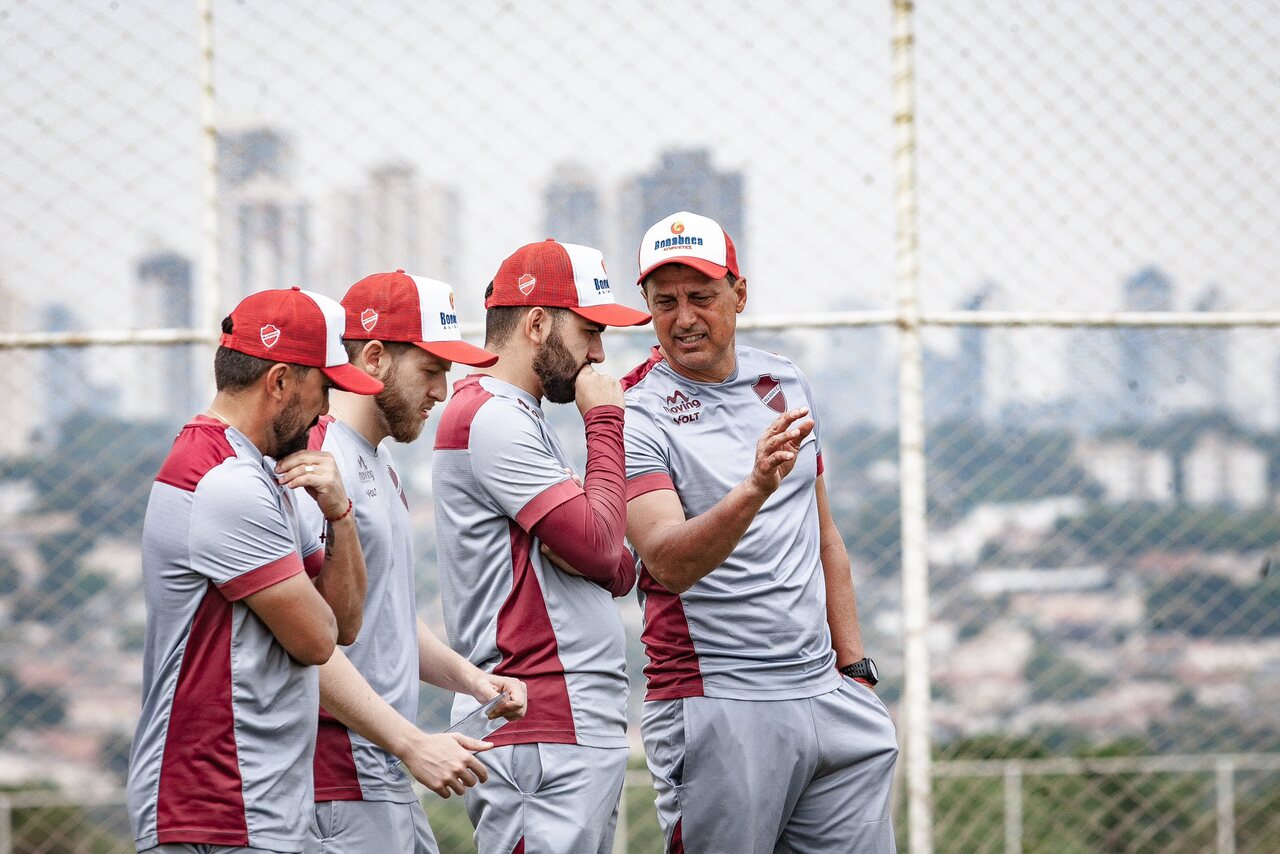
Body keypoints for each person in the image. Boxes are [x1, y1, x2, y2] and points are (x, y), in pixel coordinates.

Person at [622, 212, 899, 853]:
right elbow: (666, 561)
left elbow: (823, 533)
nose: (684, 317)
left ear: (739, 295)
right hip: (720, 699)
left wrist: (854, 673)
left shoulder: (785, 381)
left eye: (702, 297)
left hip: (828, 694)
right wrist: (752, 490)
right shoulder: (634, 412)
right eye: (665, 302)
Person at [127, 286, 384, 852]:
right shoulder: (228, 483)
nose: (327, 411)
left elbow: (344, 623)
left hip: (250, 803)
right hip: (214, 805)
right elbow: (318, 641)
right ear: (280, 382)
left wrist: (340, 513)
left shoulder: (257, 472)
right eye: (325, 388)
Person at [298, 270, 529, 854]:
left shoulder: (376, 462)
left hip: (379, 771)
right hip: (337, 774)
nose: (442, 390)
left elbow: (387, 614)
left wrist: (473, 681)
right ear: (374, 357)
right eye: (431, 369)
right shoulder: (320, 463)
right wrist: (411, 743)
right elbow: (303, 641)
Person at [431, 239, 650, 853]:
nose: (599, 353)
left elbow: (617, 564)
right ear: (537, 323)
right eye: (589, 330)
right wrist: (606, 419)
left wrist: (602, 553)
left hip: (560, 722)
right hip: (538, 717)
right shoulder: (493, 415)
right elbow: (606, 549)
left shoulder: (515, 415)